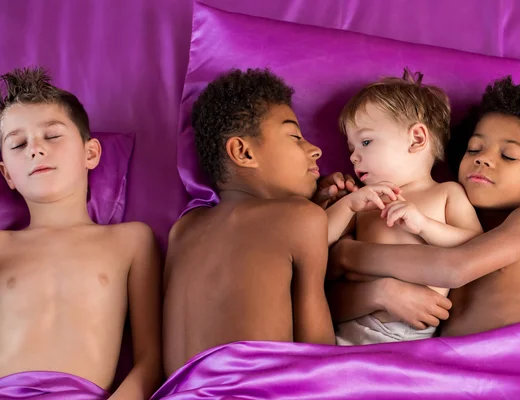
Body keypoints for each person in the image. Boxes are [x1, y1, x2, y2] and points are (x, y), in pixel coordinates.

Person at [329, 76, 520, 337]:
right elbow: (330, 300)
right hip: (441, 361)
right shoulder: (455, 223)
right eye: (473, 149)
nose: (483, 159)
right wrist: (378, 292)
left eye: (508, 155)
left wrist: (348, 255)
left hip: (516, 361)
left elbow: (453, 269)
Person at [0, 67, 162, 399]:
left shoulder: (129, 241)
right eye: (17, 144)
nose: (35, 149)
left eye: (52, 135)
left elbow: (150, 361)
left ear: (90, 153)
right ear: (7, 176)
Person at [162, 69, 335, 376]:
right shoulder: (301, 219)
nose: (315, 149)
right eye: (295, 136)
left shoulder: (183, 229)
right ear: (243, 152)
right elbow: (319, 359)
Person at [325, 70, 482, 344]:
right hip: (348, 322)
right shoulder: (364, 201)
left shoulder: (445, 193)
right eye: (350, 147)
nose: (353, 156)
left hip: (406, 334)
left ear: (417, 139)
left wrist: (425, 225)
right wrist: (347, 206)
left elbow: (476, 245)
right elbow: (316, 241)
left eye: (365, 141)